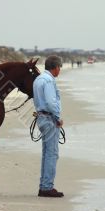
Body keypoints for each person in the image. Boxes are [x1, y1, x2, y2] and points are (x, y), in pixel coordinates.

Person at [33, 55, 64, 198]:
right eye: (60, 68)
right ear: (56, 67)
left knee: (47, 153)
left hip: (41, 117)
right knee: (52, 154)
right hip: (49, 118)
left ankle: (44, 186)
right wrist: (58, 118)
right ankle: (47, 187)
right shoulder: (48, 80)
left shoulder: (38, 79)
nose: (60, 70)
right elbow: (52, 103)